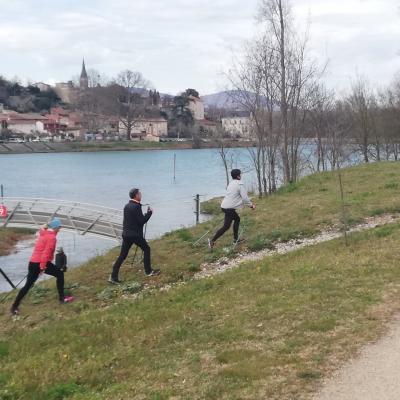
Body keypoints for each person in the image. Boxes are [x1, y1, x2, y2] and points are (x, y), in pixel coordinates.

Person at [10, 218, 74, 316]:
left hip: (32, 262)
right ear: (56, 227)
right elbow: (46, 253)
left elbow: (43, 230)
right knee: (60, 274)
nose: (60, 229)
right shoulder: (52, 238)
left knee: (28, 285)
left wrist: (45, 226)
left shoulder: (44, 234)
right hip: (41, 262)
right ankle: (62, 299)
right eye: (59, 227)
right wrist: (43, 267)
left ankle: (14, 306)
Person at [109, 188, 160, 284]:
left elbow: (134, 220)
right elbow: (141, 222)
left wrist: (144, 214)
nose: (141, 195)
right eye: (140, 194)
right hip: (134, 235)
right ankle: (149, 271)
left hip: (126, 234)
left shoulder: (127, 206)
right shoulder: (136, 207)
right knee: (147, 249)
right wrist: (149, 213)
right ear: (136, 196)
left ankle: (113, 277)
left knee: (122, 255)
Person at [208, 169, 255, 249]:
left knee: (235, 220)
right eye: (240, 174)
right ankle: (213, 241)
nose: (241, 175)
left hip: (224, 207)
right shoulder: (240, 184)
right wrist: (251, 205)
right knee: (227, 226)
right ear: (238, 176)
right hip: (229, 208)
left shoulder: (231, 183)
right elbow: (245, 198)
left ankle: (235, 239)